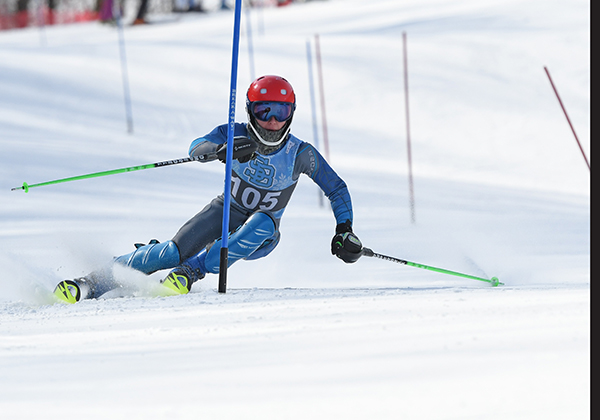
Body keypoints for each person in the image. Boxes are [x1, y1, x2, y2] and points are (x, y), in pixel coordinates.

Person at [53, 75, 363, 303]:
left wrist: (344, 229)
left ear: (291, 114)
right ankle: (91, 282)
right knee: (171, 251)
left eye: (279, 113)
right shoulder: (235, 132)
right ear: (250, 111)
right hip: (225, 211)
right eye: (263, 111)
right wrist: (222, 148)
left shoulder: (300, 153)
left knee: (262, 220)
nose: (271, 121)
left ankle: (191, 273)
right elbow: (197, 146)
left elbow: (336, 188)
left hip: (263, 234)